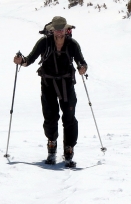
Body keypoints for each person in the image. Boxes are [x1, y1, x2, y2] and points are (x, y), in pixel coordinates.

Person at [14, 15, 88, 167]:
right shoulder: (44, 43)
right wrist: (21, 61)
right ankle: (52, 144)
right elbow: (30, 59)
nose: (59, 32)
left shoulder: (72, 44)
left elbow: (81, 61)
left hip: (66, 85)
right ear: (53, 30)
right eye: (57, 30)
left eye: (62, 29)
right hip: (48, 84)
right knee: (50, 116)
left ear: (66, 30)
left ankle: (69, 148)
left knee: (69, 117)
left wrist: (82, 68)